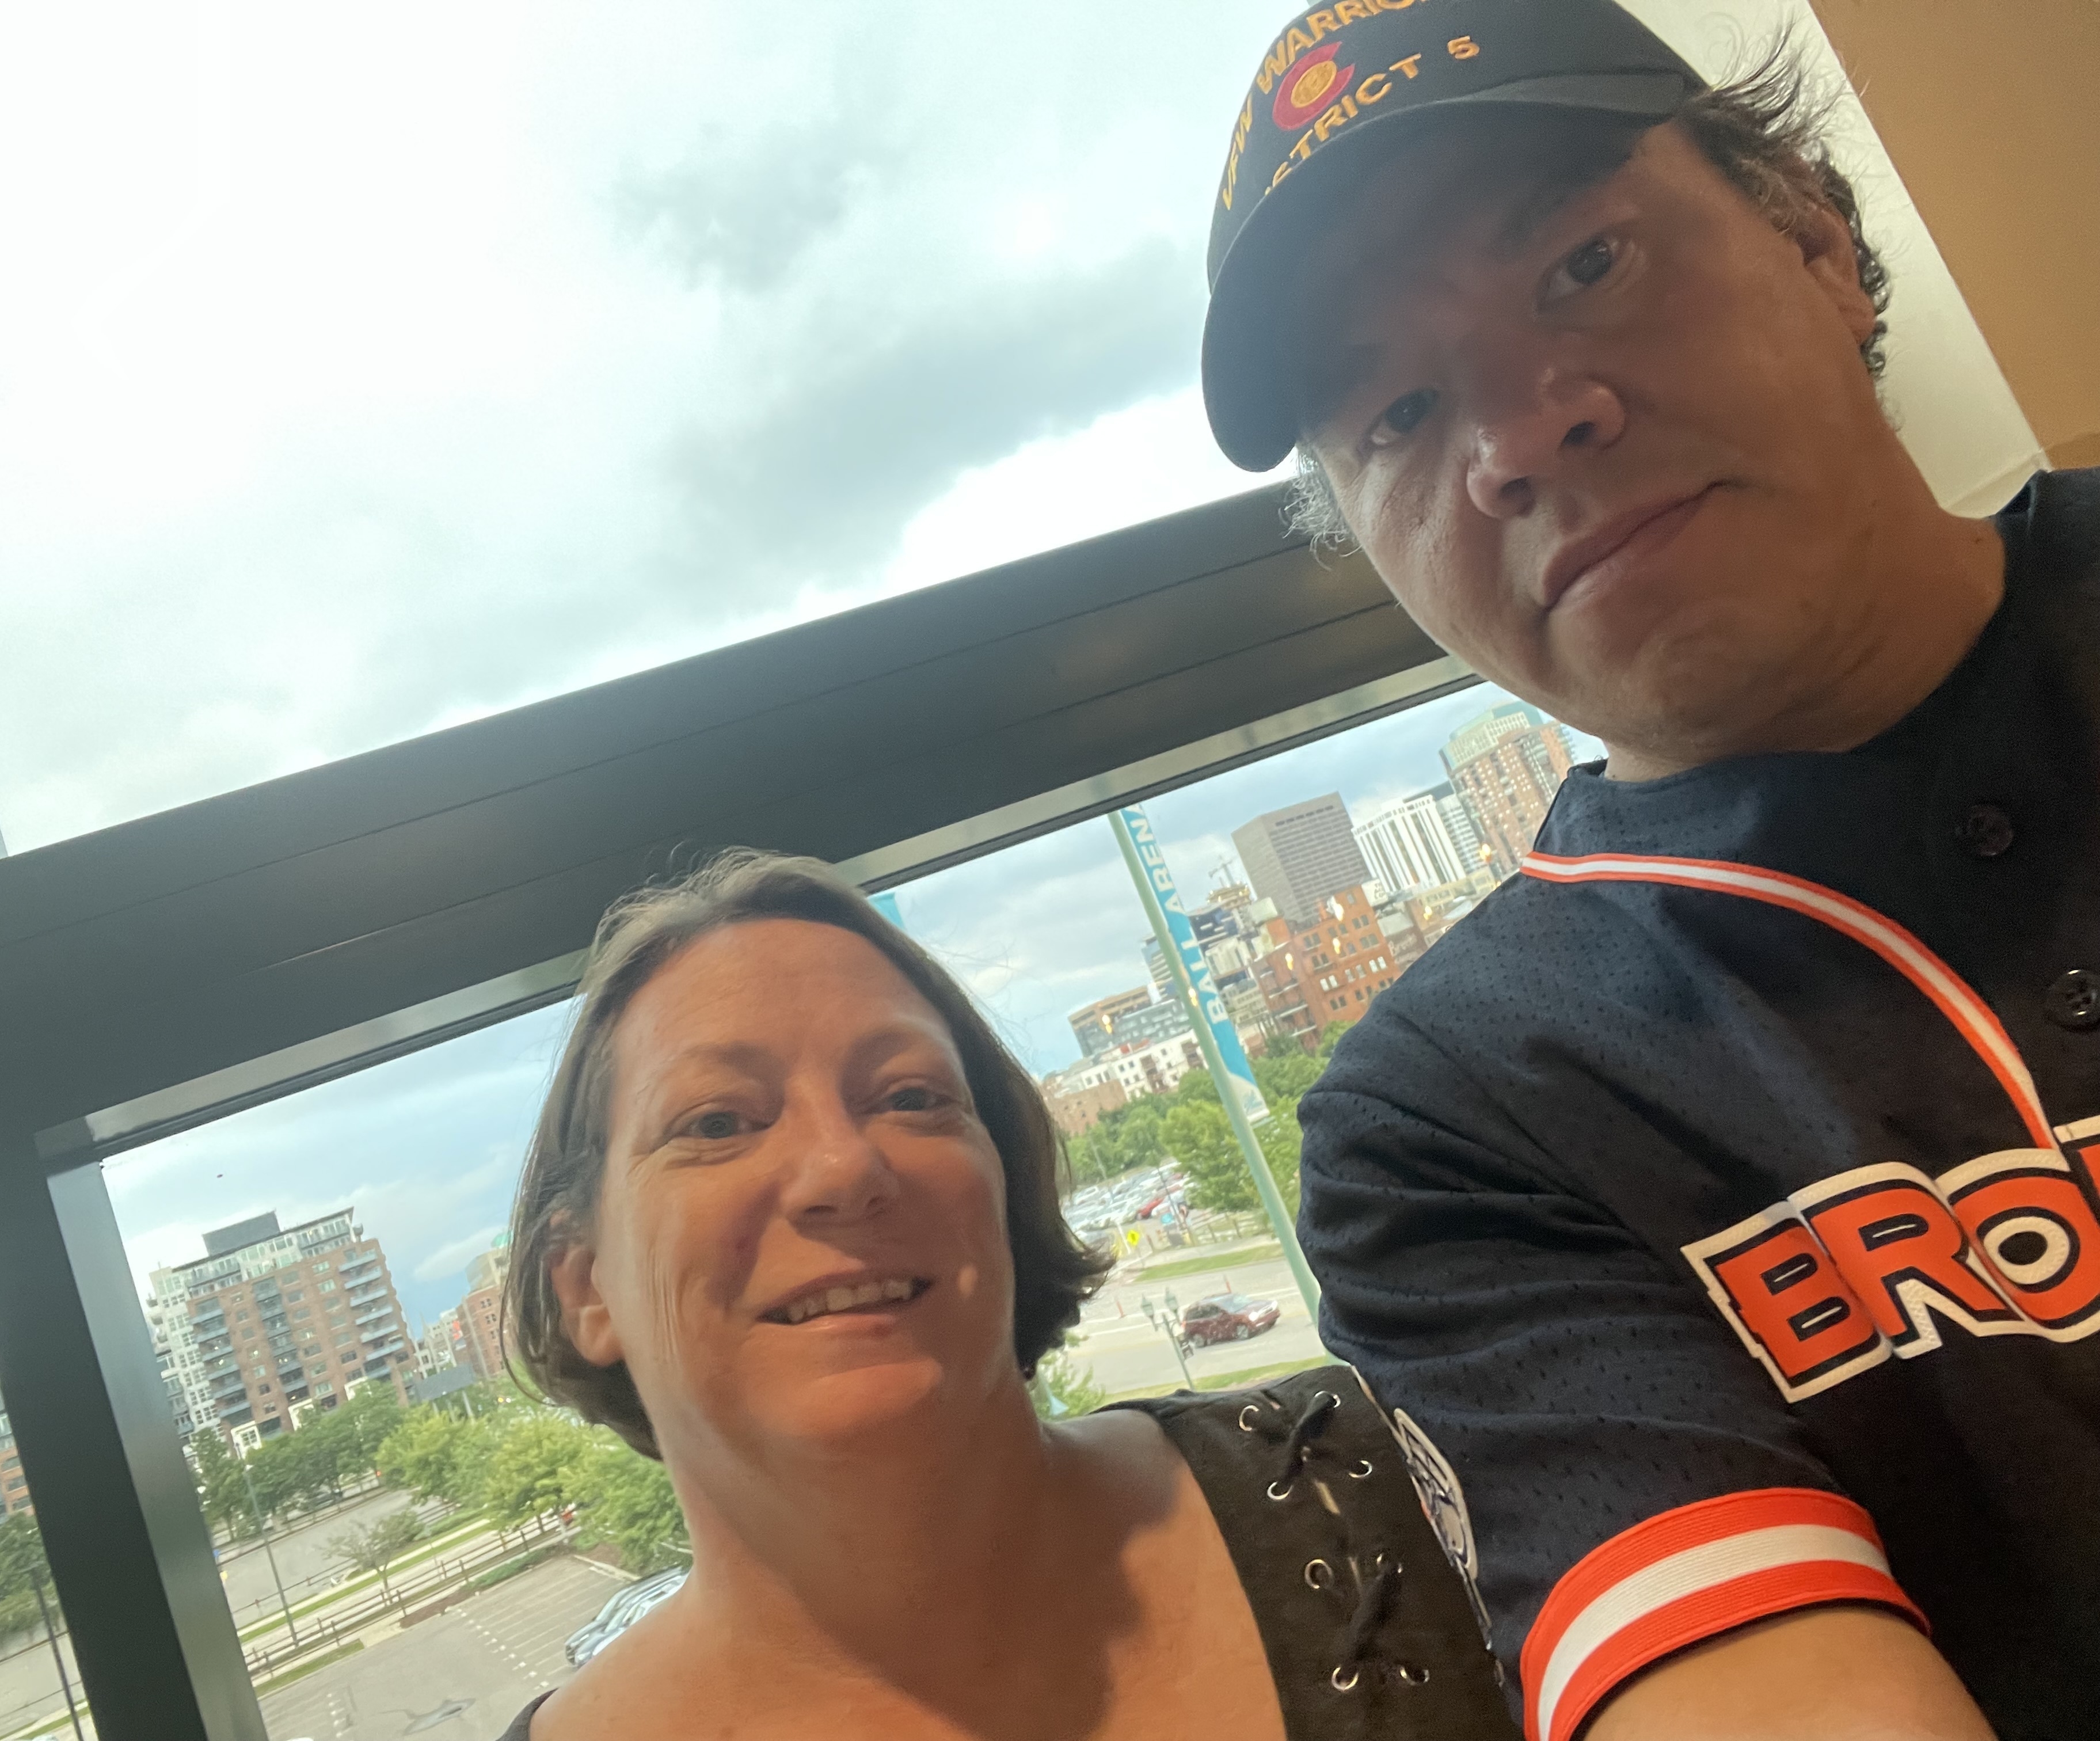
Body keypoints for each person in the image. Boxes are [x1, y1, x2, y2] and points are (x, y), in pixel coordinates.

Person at [1198, 2, 2098, 1739]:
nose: (1518, 439)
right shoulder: (1456, 1127)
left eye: (1584, 265)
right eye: (1398, 411)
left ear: (1814, 233)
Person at [494, 850, 1515, 1739]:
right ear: (585, 1287)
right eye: (717, 1122)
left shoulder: (1400, 1480)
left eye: (911, 1097)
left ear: (1006, 1188)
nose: (843, 1167)